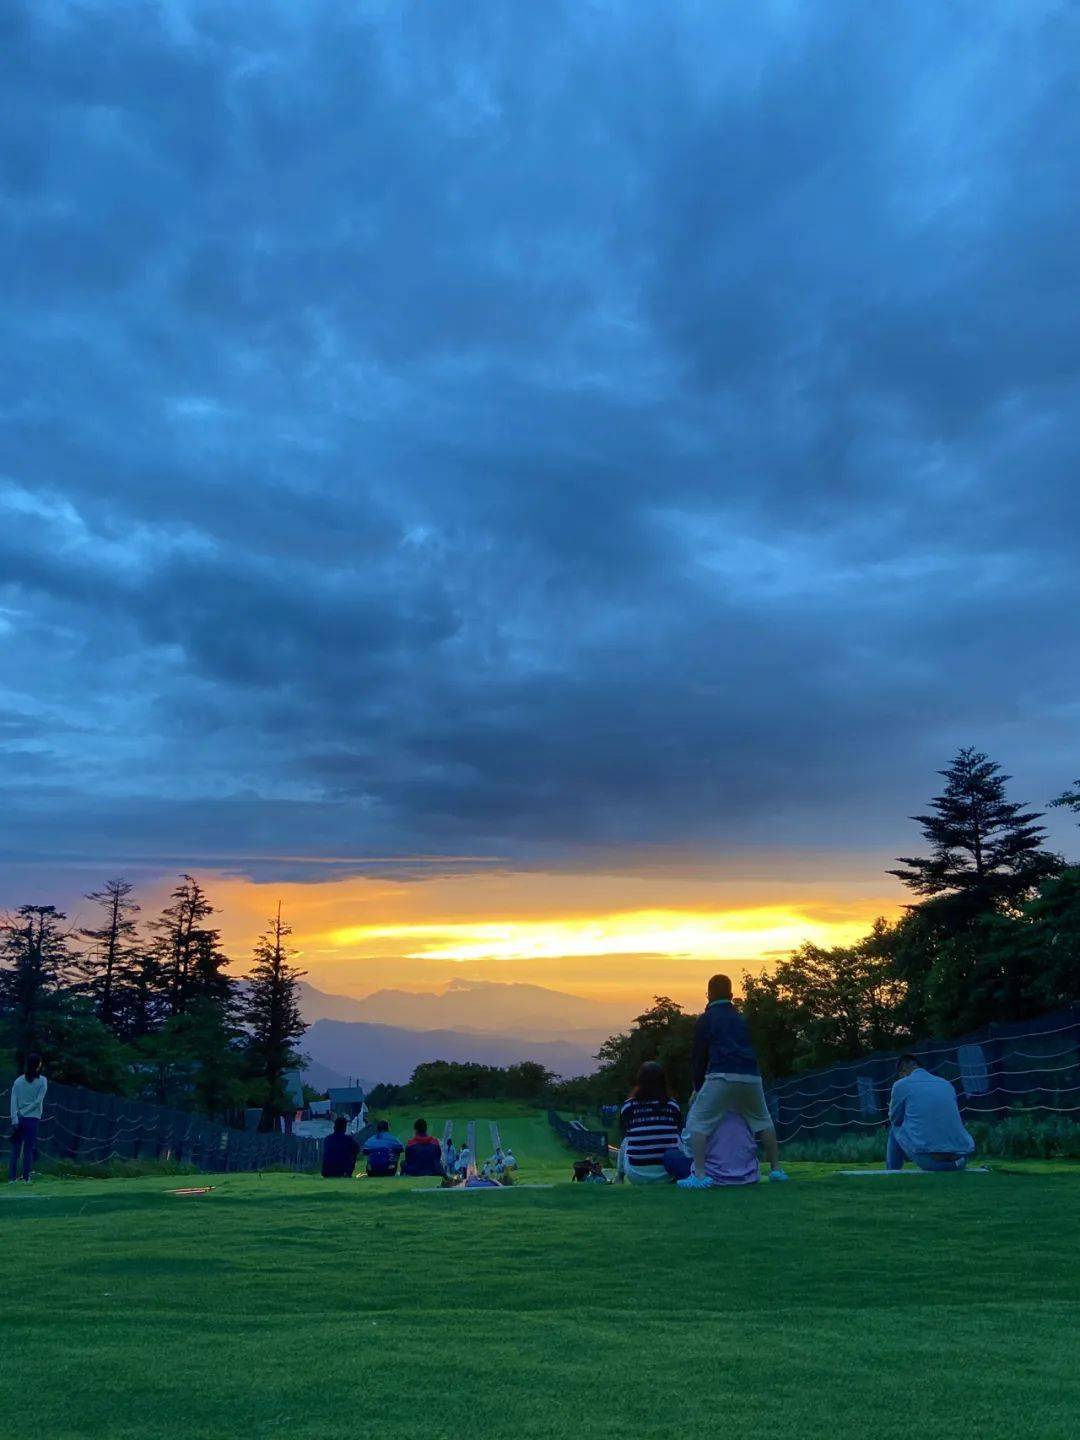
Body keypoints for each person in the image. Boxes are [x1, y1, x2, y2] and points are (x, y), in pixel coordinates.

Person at [679, 973, 787, 1188]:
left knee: (698, 1122)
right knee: (762, 1120)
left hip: (722, 1074)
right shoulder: (740, 1018)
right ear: (731, 994)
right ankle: (776, 1170)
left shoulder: (706, 1019)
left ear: (708, 994)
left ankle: (699, 1175)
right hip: (751, 1075)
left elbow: (699, 1057)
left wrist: (697, 1087)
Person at [887, 1054, 975, 1171]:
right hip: (960, 1160)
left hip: (931, 1161)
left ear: (903, 1072)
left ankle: (891, 1172)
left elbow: (895, 1119)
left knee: (895, 1128)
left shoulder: (901, 1085)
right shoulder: (946, 1084)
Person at [618, 1060, 683, 1186]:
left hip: (636, 1174)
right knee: (677, 1137)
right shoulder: (672, 1105)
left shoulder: (629, 1106)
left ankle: (619, 1177)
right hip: (668, 1174)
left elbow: (624, 1131)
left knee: (626, 1139)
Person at [662, 1111, 760, 1186]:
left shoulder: (702, 1110)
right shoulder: (742, 1110)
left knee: (670, 1155)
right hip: (747, 1173)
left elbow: (690, 1151)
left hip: (713, 1173)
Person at [9, 1053, 46, 1185]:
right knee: (28, 1150)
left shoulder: (18, 1081)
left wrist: (15, 1117)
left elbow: (13, 1100)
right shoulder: (42, 1081)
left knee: (15, 1149)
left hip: (19, 1118)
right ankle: (26, 1178)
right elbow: (38, 1101)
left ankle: (12, 1178)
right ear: (38, 1065)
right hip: (32, 1118)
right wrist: (24, 1112)